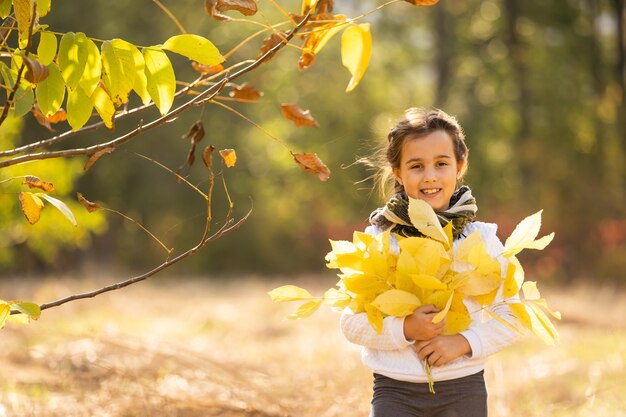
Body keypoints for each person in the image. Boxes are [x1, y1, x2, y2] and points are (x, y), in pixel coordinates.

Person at [340, 108, 522, 417]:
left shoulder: (482, 240)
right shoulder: (380, 239)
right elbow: (351, 323)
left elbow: (513, 315)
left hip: (462, 390)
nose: (430, 176)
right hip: (394, 391)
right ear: (397, 172)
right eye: (416, 166)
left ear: (460, 166)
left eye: (441, 163)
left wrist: (464, 342)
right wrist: (406, 328)